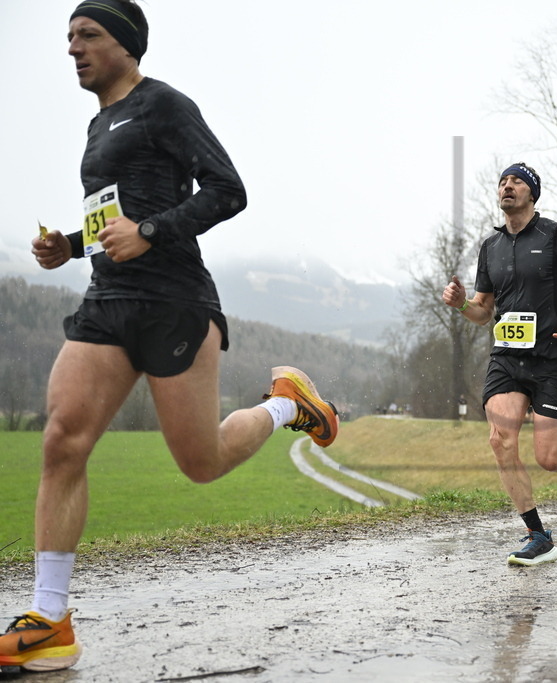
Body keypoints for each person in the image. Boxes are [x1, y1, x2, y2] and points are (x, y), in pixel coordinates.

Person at [0, 2, 340, 673]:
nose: (73, 47)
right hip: (107, 300)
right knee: (62, 437)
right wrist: (70, 244)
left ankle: (286, 404)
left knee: (201, 461)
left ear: (127, 44)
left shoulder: (164, 105)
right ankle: (50, 618)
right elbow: (116, 216)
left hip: (173, 299)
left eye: (88, 34)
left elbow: (228, 190)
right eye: (68, 36)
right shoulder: (98, 124)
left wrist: (151, 233)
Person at [442, 161, 557, 566]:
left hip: (552, 358)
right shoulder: (491, 247)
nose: (507, 186)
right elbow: (484, 312)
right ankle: (538, 535)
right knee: (500, 440)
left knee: (550, 461)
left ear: (531, 193)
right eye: (502, 181)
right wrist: (462, 304)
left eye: (516, 181)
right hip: (507, 359)